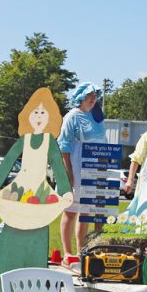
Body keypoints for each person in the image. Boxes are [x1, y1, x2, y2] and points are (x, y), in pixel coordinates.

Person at [0, 88, 72, 292]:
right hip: (18, 197)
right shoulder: (22, 141)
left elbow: (59, 169)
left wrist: (65, 192)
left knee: (33, 265)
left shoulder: (49, 143)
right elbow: (6, 165)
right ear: (27, 116)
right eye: (35, 111)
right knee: (6, 260)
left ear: (51, 117)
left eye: (44, 112)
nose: (39, 116)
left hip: (39, 200)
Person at [57, 82, 107, 265]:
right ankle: (68, 252)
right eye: (89, 95)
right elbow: (64, 146)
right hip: (77, 164)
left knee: (87, 211)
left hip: (95, 166)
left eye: (95, 96)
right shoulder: (72, 117)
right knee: (71, 210)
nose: (93, 99)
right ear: (81, 97)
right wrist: (68, 173)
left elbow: (103, 143)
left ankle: (82, 252)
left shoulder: (97, 117)